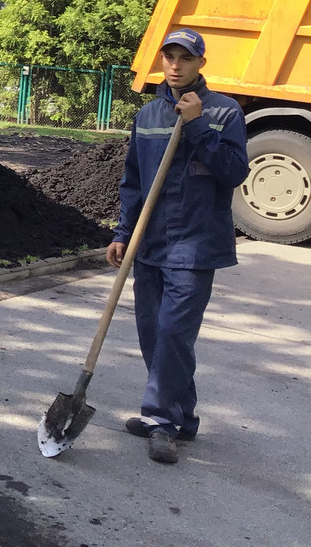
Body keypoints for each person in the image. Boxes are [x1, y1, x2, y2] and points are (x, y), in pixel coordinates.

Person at [106, 26, 248, 466]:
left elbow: (234, 172)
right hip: (150, 243)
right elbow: (133, 181)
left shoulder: (224, 112)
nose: (174, 64)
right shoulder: (147, 114)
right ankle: (182, 418)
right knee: (155, 336)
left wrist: (198, 125)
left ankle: (159, 420)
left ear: (200, 63)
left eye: (184, 58)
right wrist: (122, 231)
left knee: (173, 333)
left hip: (196, 246)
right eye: (169, 56)